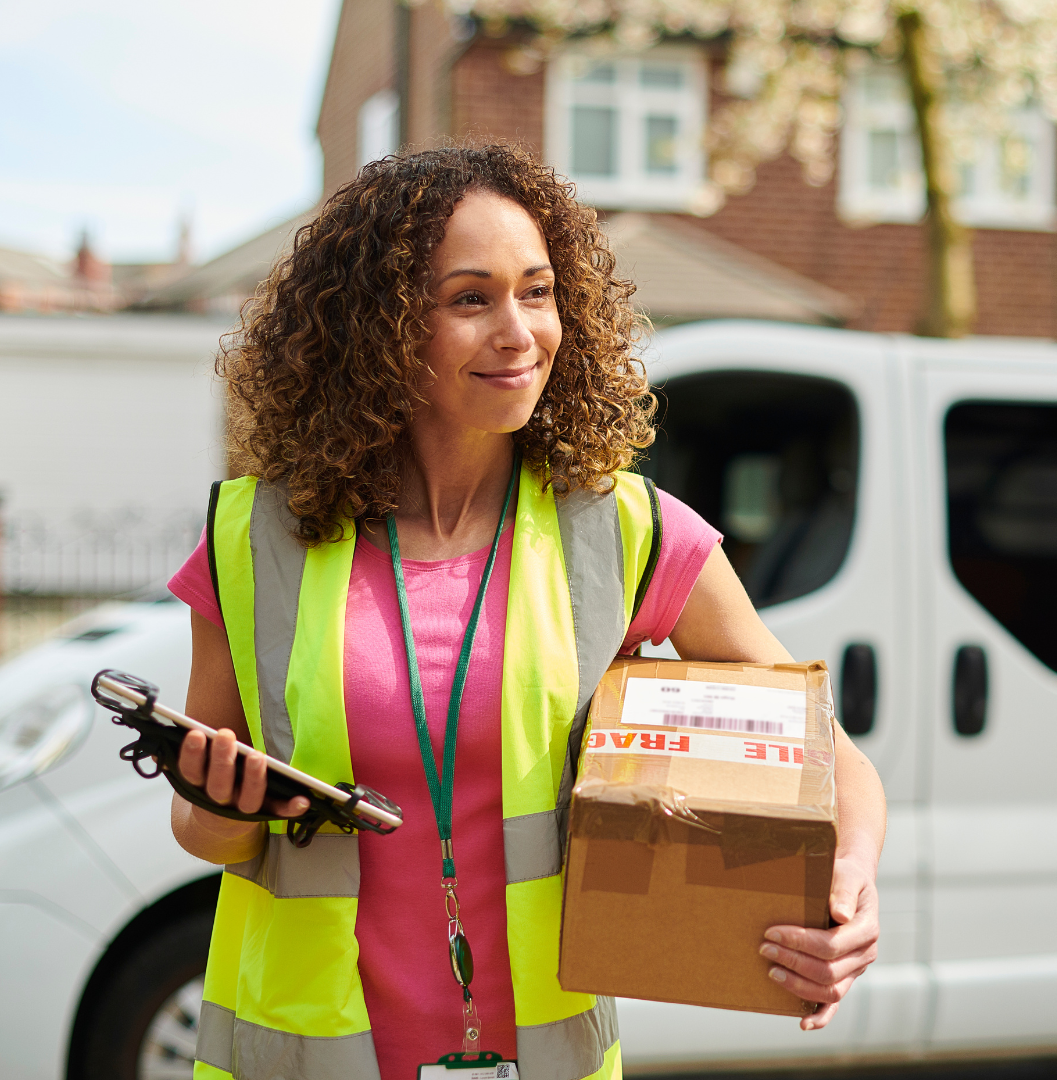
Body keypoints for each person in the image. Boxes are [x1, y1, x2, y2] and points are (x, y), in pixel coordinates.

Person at [164, 144, 887, 1080]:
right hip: (306, 1054)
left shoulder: (625, 531)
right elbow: (207, 836)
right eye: (471, 299)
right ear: (378, 327)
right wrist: (220, 807)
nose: (519, 333)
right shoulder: (251, 540)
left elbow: (832, 755)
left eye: (538, 292)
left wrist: (848, 886)